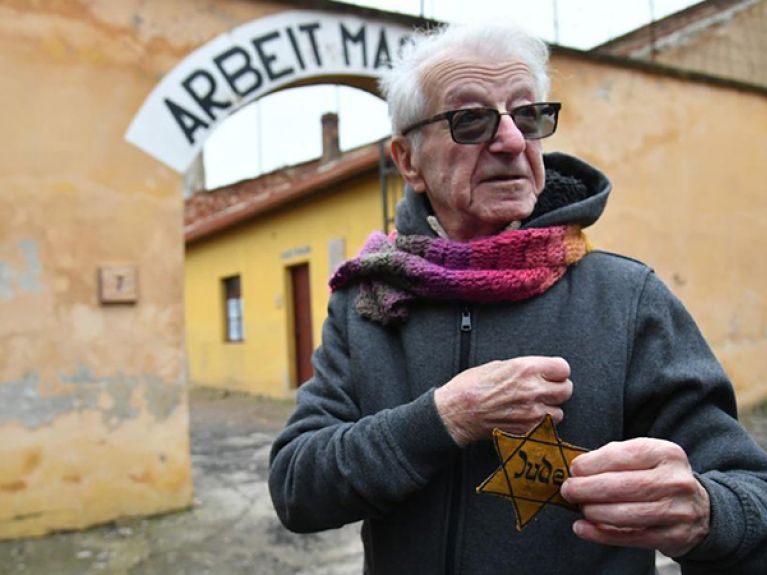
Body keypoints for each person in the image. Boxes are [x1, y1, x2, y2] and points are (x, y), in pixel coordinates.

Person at [269, 21, 767, 574]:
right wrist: (444, 419)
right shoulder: (370, 298)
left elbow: (752, 493)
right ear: (408, 160)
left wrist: (705, 513)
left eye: (527, 116)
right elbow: (297, 489)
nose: (510, 140)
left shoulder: (627, 298)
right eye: (471, 120)